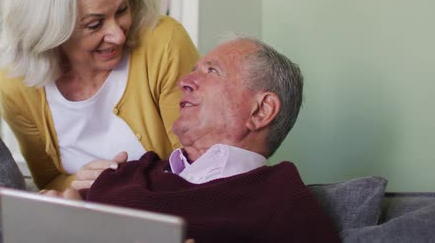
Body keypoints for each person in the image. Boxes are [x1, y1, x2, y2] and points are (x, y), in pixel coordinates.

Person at [43, 37, 341, 242]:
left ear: (261, 110)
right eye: (192, 71)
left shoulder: (282, 202)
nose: (183, 82)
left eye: (211, 71)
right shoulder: (128, 173)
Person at [0, 0, 199, 191]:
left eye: (122, 9)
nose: (117, 34)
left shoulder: (164, 44)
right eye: (94, 24)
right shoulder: (18, 83)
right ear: (49, 28)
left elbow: (202, 168)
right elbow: (49, 181)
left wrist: (125, 186)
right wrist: (78, 182)